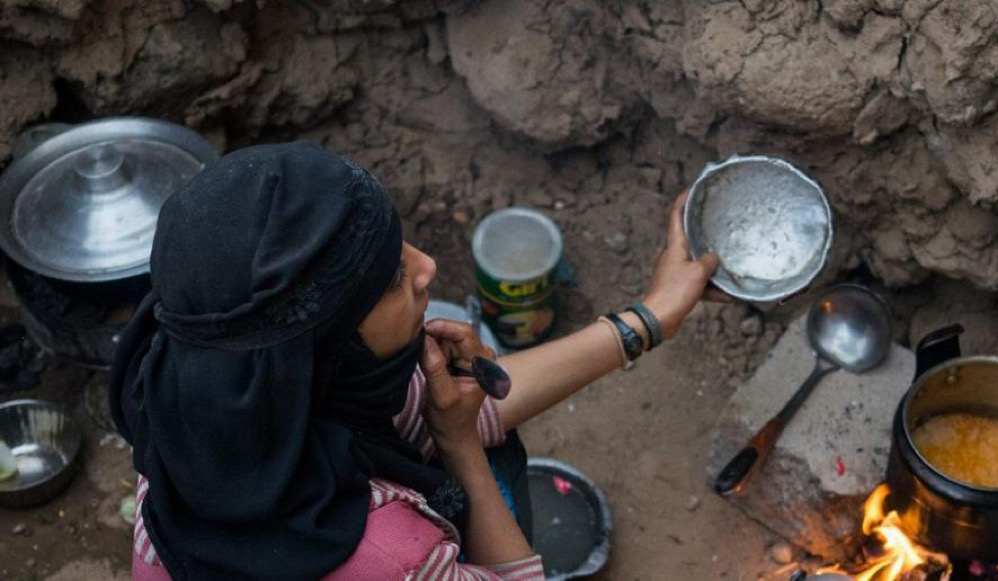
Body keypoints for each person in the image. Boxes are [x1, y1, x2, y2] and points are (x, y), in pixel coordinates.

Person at [110, 142, 722, 580]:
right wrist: (463, 452)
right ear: (323, 345)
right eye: (392, 279)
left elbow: (447, 406)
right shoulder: (387, 555)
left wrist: (650, 318)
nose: (428, 266)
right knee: (494, 467)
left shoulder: (201, 408)